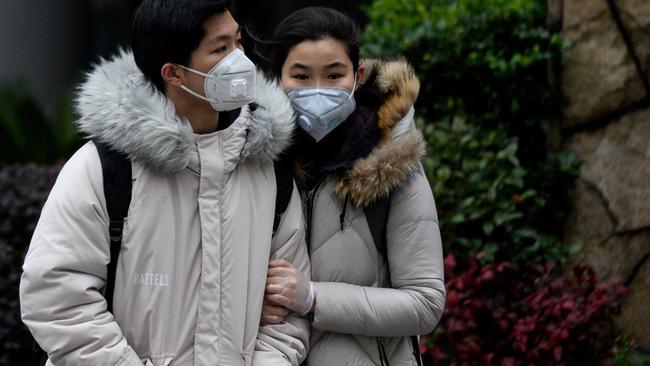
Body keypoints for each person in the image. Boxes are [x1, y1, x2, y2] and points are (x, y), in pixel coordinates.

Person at [19, 1, 310, 365]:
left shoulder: (268, 169)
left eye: (238, 42)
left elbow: (288, 311)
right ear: (173, 73)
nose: (240, 61)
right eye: (220, 49)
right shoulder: (103, 168)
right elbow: (57, 299)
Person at [258, 7, 446, 366]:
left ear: (357, 76)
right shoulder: (256, 164)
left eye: (334, 75)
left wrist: (312, 297)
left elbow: (425, 303)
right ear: (276, 78)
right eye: (300, 76)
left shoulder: (392, 165)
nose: (318, 90)